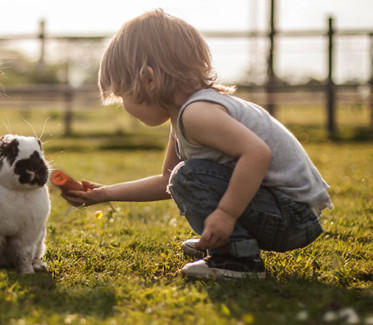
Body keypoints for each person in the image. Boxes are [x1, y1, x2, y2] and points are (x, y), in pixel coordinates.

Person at [63, 9, 332, 279]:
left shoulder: (197, 114)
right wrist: (105, 193)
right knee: (183, 176)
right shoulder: (183, 116)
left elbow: (257, 153)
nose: (124, 106)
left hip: (292, 217)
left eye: (123, 96)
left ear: (148, 79)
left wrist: (226, 215)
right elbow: (167, 182)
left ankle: (238, 259)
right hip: (285, 212)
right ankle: (233, 243)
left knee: (189, 175)